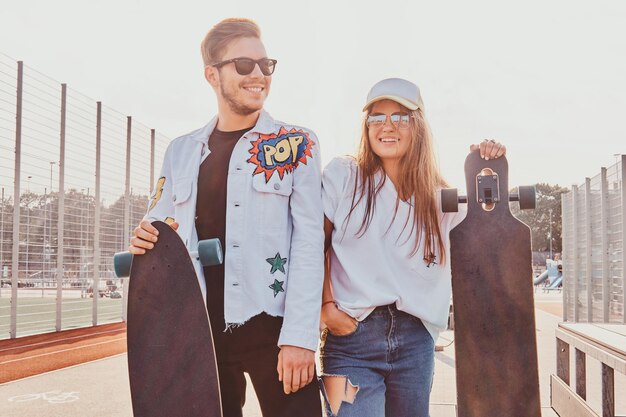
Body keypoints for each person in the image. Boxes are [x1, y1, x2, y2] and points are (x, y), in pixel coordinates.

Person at [129, 18, 324, 417]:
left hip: (273, 327)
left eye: (265, 65)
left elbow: (308, 243)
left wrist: (301, 337)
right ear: (212, 75)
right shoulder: (181, 151)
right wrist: (144, 235)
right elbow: (159, 224)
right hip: (198, 334)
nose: (258, 75)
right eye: (243, 65)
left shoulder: (296, 144)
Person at [319, 78, 506, 417]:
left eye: (400, 117)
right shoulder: (343, 175)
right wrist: (326, 308)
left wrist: (488, 168)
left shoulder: (441, 198)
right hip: (351, 339)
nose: (387, 126)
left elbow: (484, 233)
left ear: (418, 125)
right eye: (377, 117)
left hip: (414, 342)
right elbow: (313, 245)